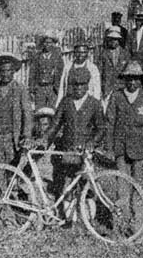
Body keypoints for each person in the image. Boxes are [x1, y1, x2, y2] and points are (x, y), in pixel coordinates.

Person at [46, 71, 105, 208]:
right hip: (68, 150)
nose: (78, 88)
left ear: (87, 86)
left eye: (82, 85)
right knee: (67, 185)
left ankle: (88, 217)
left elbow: (101, 128)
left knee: (87, 184)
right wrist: (44, 138)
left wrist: (92, 142)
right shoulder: (66, 102)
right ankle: (68, 217)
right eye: (75, 85)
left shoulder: (94, 104)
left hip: (85, 152)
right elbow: (55, 124)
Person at [109, 61, 143, 201]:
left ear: (141, 80)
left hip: (141, 150)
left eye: (136, 79)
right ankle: (121, 219)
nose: (132, 82)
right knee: (122, 186)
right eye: (129, 78)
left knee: (138, 187)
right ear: (124, 79)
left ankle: (138, 219)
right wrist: (110, 148)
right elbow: (109, 123)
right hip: (121, 149)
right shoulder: (116, 97)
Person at [0, 53, 33, 165]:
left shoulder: (20, 89)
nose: (5, 74)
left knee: (12, 171)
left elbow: (27, 114)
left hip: (12, 138)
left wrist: (27, 136)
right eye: (2, 71)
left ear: (13, 71)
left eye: (8, 70)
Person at [28, 34, 64, 110]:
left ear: (53, 44)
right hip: (40, 88)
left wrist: (58, 89)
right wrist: (31, 90)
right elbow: (32, 73)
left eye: (50, 42)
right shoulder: (37, 57)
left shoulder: (57, 57)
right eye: (45, 42)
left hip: (52, 88)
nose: (47, 45)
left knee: (53, 110)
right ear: (43, 43)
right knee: (40, 110)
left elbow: (61, 73)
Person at [98, 26, 130, 106]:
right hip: (107, 88)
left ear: (119, 40)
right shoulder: (103, 54)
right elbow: (99, 72)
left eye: (115, 39)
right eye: (111, 39)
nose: (113, 42)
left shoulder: (125, 54)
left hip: (121, 87)